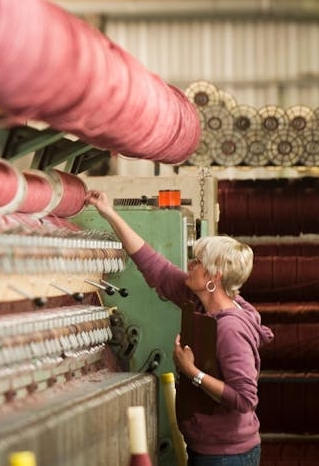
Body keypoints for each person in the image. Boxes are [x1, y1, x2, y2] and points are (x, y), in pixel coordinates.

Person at [85, 190, 273, 466]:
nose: (191, 265)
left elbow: (245, 398)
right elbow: (154, 266)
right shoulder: (198, 301)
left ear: (213, 277)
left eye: (197, 262)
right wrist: (110, 213)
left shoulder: (230, 328)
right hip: (208, 447)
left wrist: (192, 372)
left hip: (228, 455)